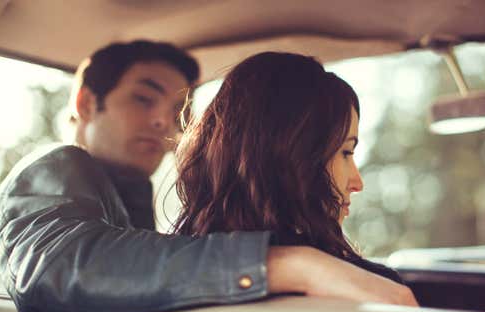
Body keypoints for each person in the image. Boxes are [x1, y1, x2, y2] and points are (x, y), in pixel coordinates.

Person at [0, 41, 417, 312]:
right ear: (86, 102)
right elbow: (54, 265)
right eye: (143, 97)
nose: (163, 120)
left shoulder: (140, 224)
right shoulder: (55, 167)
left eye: (178, 106)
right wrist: (294, 264)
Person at [174, 52, 416, 292]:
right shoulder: (370, 288)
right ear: (293, 155)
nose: (357, 183)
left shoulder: (177, 273)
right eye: (345, 152)